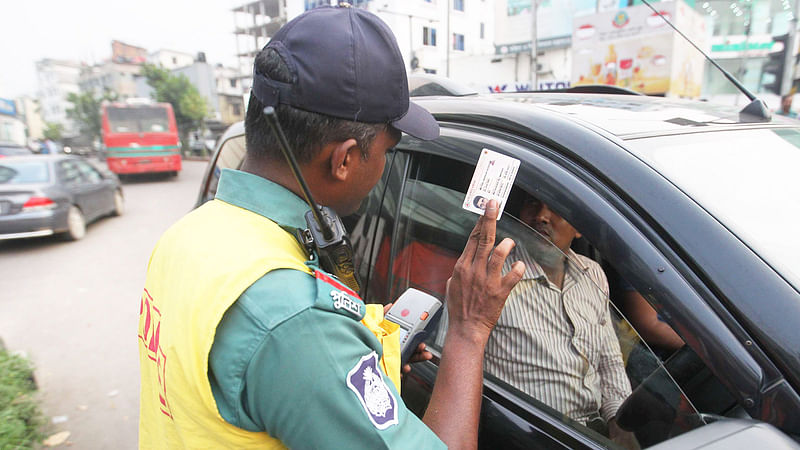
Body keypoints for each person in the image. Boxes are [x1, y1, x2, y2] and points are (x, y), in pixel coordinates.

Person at [137, 5, 524, 449]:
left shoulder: (187, 236)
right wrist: (469, 329)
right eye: (388, 150)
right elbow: (296, 342)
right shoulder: (297, 321)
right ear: (343, 160)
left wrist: (359, 358)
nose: (384, 166)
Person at [483, 194, 632, 440]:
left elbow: (609, 360)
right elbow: (453, 356)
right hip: (526, 434)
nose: (541, 216)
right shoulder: (492, 275)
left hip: (595, 434)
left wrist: (620, 422)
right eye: (531, 203)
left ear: (578, 229)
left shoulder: (592, 275)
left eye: (556, 207)